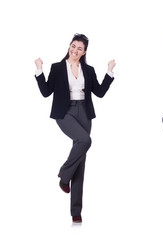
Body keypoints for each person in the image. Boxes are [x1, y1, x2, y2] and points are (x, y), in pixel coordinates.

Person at [34, 33, 116, 223]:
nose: (75, 50)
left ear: (84, 51)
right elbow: (46, 92)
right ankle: (64, 174)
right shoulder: (57, 67)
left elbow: (100, 92)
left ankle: (76, 212)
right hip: (65, 112)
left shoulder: (88, 70)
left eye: (79, 48)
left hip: (84, 113)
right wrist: (39, 70)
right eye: (73, 46)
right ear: (69, 46)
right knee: (85, 141)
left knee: (81, 160)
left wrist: (109, 72)